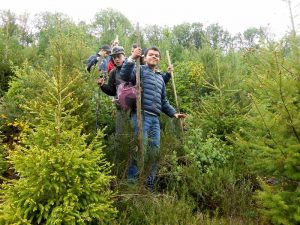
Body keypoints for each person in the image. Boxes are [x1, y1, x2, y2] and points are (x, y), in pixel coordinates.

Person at [120, 46, 186, 190]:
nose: (154, 57)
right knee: (138, 149)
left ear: (159, 59)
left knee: (154, 152)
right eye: (151, 55)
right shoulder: (140, 70)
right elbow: (124, 76)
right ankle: (132, 185)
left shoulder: (160, 78)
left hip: (155, 119)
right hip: (141, 115)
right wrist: (131, 58)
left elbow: (163, 101)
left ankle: (149, 186)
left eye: (157, 55)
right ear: (144, 57)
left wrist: (173, 113)